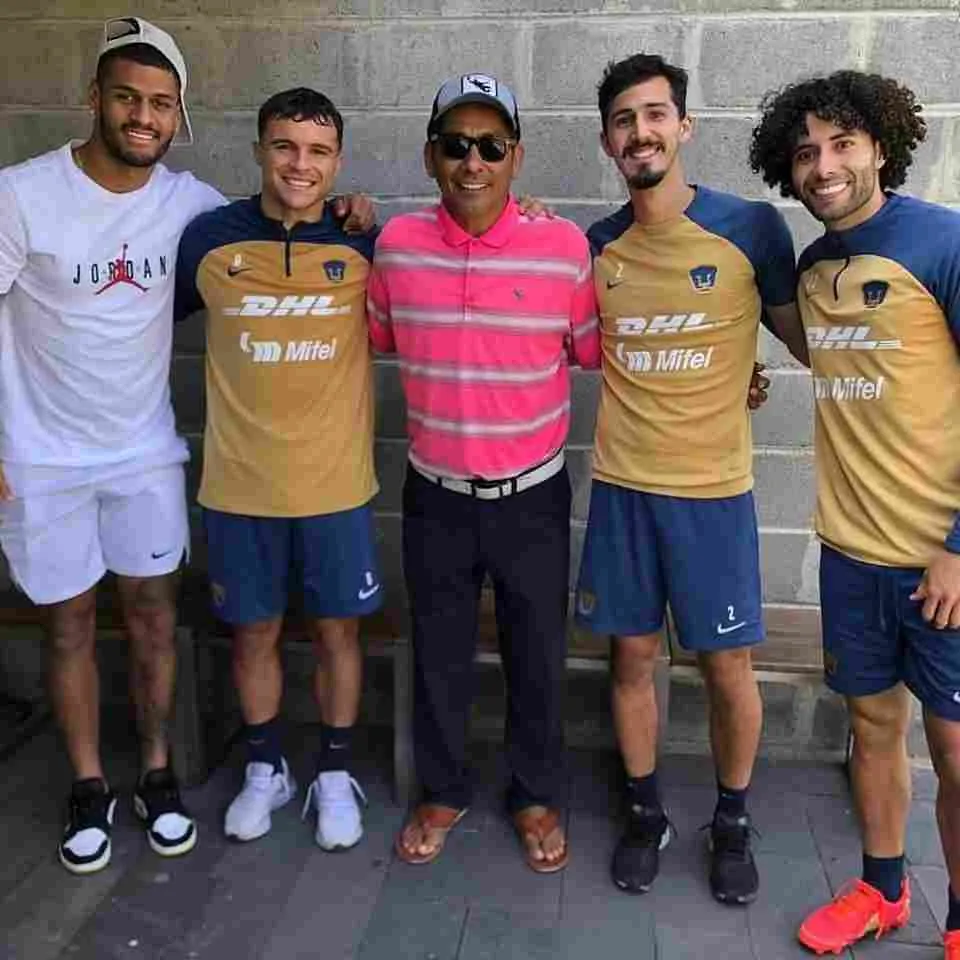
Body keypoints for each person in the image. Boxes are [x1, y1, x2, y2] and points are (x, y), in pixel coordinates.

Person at [574, 53, 807, 905]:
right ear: (608, 140)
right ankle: (645, 814)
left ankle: (732, 821)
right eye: (625, 120)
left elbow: (806, 341)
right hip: (625, 490)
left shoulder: (751, 229)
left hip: (714, 495)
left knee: (724, 667)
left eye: (655, 114)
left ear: (684, 125)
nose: (641, 132)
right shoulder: (597, 246)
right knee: (632, 657)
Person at [0, 17, 223, 874]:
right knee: (68, 625)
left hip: (142, 453)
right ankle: (89, 784)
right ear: (94, 97)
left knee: (156, 615)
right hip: (39, 457)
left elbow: (272, 226)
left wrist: (347, 210)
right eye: (128, 96)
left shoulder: (187, 203)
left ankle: (157, 774)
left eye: (161, 104)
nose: (143, 115)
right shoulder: (24, 194)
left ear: (177, 118)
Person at [367, 73, 600, 873]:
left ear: (516, 157)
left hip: (532, 495)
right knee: (438, 652)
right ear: (432, 155)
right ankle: (443, 788)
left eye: (491, 146)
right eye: (456, 144)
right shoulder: (394, 246)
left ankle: (534, 795)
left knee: (538, 654)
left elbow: (597, 350)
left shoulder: (565, 248)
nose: (474, 161)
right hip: (434, 494)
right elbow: (373, 335)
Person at [750, 70, 960, 958]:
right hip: (851, 552)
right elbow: (824, 357)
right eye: (805, 152)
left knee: (953, 752)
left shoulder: (942, 242)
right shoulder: (813, 266)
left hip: (940, 560)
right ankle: (883, 892)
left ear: (881, 145)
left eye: (841, 144)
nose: (824, 165)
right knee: (872, 729)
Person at [174, 88, 380, 851]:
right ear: (260, 149)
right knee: (252, 637)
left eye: (318, 150)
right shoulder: (206, 242)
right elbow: (125, 329)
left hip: (335, 489)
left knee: (336, 637)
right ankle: (266, 768)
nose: (300, 163)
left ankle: (331, 773)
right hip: (238, 488)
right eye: (285, 146)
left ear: (337, 162)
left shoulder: (364, 244)